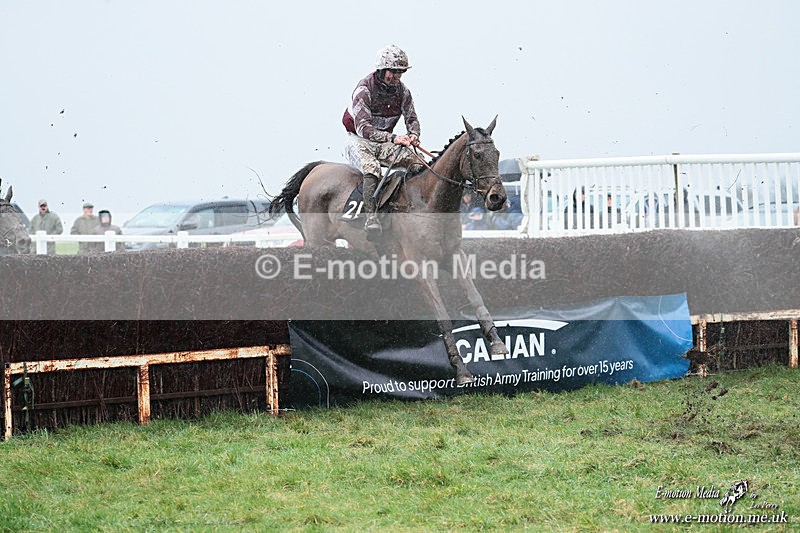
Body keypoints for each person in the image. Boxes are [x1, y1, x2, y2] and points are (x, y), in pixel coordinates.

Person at [343, 44, 423, 237]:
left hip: (384, 142)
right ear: (382, 70)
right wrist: (394, 137)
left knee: (417, 161)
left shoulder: (403, 92)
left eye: (400, 73)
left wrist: (414, 134)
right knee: (372, 169)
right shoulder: (364, 90)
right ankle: (371, 219)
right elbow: (364, 129)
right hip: (359, 141)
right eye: (393, 73)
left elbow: (411, 118)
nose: (397, 78)